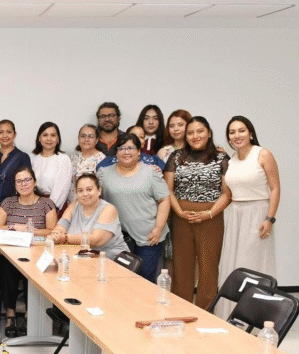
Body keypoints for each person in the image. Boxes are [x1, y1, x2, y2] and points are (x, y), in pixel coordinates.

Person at [164, 116, 230, 309]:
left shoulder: (221, 158)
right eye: (190, 132)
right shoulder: (175, 157)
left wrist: (209, 213)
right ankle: (181, 310)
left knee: (208, 267)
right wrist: (179, 212)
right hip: (181, 216)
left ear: (209, 133)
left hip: (212, 217)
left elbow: (227, 194)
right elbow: (168, 189)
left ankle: (206, 312)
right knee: (181, 266)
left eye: (200, 131)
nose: (195, 136)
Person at [217, 116, 280, 317]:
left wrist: (269, 219)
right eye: (232, 132)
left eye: (241, 130)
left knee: (253, 266)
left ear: (250, 132)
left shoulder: (262, 154)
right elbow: (227, 193)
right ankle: (232, 315)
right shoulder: (230, 161)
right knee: (233, 266)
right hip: (235, 215)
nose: (237, 135)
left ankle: (255, 317)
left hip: (258, 215)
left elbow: (275, 188)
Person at [0, 167, 57, 338]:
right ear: (15, 185)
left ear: (34, 182)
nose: (23, 184)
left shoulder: (46, 204)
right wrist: (14, 227)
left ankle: (30, 314)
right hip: (12, 252)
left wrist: (31, 230)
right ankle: (10, 315)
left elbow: (52, 230)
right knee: (6, 269)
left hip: (37, 252)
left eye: (27, 180)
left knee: (34, 272)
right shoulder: (9, 203)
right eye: (19, 181)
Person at [98, 134, 170, 281]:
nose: (126, 152)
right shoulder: (104, 174)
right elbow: (96, 201)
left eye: (131, 148)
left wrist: (158, 228)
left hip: (149, 237)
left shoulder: (151, 173)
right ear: (116, 152)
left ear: (139, 152)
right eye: (122, 148)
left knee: (144, 280)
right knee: (119, 279)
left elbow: (164, 200)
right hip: (118, 238)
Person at [50, 174, 129, 259]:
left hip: (112, 261)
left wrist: (64, 238)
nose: (85, 194)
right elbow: (61, 226)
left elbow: (96, 240)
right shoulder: (74, 205)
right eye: (80, 191)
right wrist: (56, 234)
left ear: (99, 191)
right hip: (83, 258)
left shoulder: (109, 209)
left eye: (89, 189)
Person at [0, 119, 32, 219]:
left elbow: (26, 186)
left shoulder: (22, 157)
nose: (5, 136)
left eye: (9, 132)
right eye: (1, 132)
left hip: (13, 211)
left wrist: (5, 210)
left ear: (15, 134)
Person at [31, 122, 71, 214]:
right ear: (39, 139)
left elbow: (62, 190)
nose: (49, 139)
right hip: (35, 205)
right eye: (45, 135)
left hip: (54, 207)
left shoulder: (63, 159)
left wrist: (49, 210)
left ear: (58, 139)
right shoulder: (34, 160)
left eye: (53, 135)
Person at [96, 126, 165, 171]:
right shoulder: (111, 160)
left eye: (141, 137)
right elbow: (99, 169)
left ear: (144, 142)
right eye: (133, 136)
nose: (137, 139)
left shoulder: (154, 160)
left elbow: (166, 173)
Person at [68, 124, 106, 203]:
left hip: (90, 203)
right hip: (72, 203)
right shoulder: (74, 156)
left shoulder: (101, 159)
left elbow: (102, 187)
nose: (86, 139)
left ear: (97, 140)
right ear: (78, 139)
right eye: (83, 136)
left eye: (91, 136)